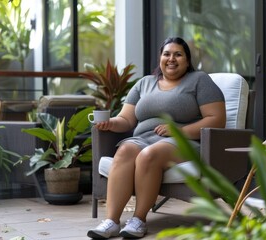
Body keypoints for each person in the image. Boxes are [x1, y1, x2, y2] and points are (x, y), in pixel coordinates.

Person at [87, 37, 226, 239]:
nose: (171, 58)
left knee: (149, 155)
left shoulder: (199, 80)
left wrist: (179, 131)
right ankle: (112, 221)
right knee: (125, 150)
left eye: (178, 54)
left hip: (184, 142)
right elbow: (126, 119)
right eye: (166, 54)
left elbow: (217, 119)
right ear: (160, 58)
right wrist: (110, 124)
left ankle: (138, 220)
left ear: (187, 60)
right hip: (143, 139)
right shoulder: (144, 83)